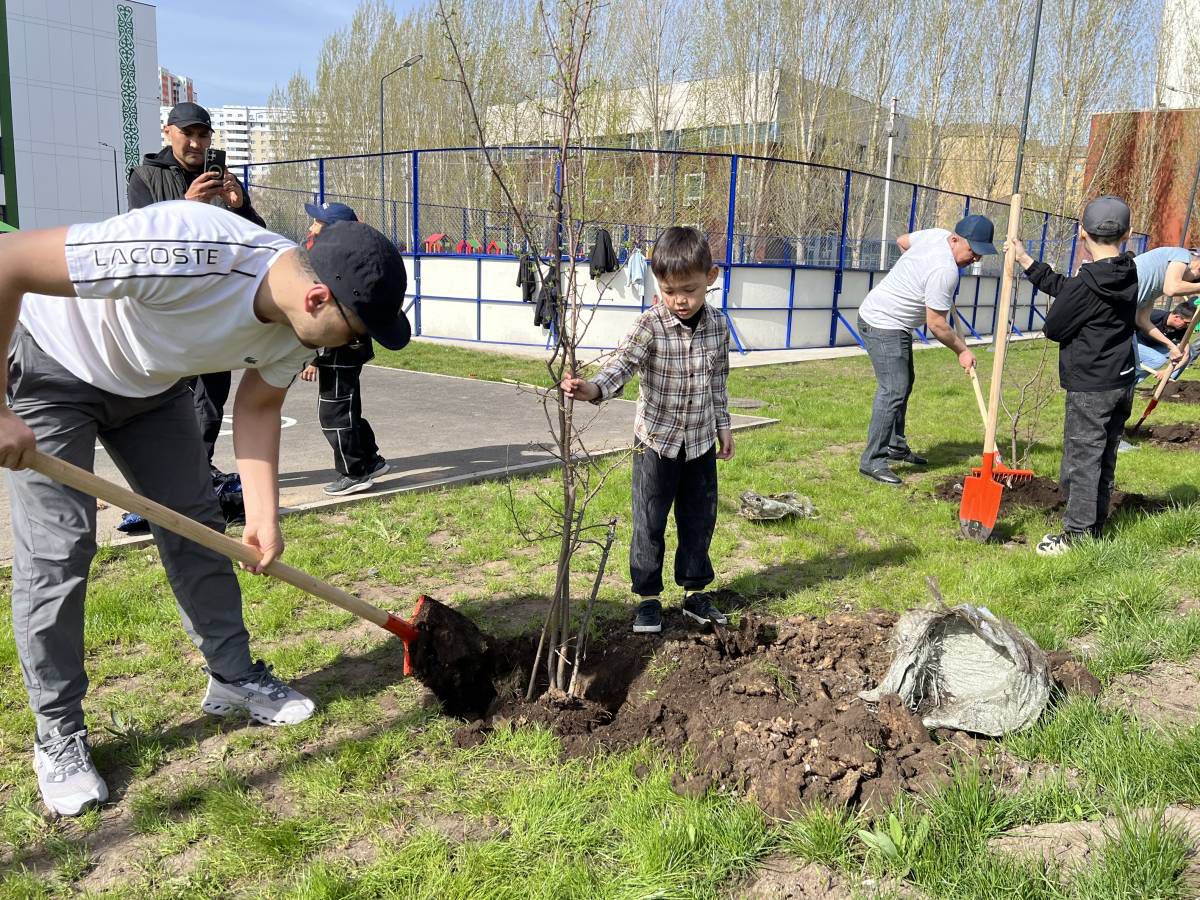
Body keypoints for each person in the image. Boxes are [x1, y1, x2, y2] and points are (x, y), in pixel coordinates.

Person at [0, 200, 410, 816]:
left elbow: (258, 406)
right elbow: (8, 261)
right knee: (60, 550)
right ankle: (57, 733)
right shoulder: (187, 251)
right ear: (318, 298)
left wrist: (264, 518)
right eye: (356, 333)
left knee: (198, 527)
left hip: (152, 387)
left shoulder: (296, 327)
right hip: (53, 366)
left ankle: (232, 677)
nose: (354, 347)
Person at [560, 226, 733, 634]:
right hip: (655, 443)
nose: (680, 300)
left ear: (710, 278)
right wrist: (593, 388)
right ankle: (648, 598)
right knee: (649, 521)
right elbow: (623, 364)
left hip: (699, 443)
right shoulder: (649, 326)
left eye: (689, 290)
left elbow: (719, 380)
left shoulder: (718, 326)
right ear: (658, 284)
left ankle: (695, 593)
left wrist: (723, 425)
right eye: (669, 291)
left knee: (699, 519)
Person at [123, 102, 268, 532]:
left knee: (212, 395)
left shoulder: (221, 178)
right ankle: (170, 481)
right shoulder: (146, 177)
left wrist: (240, 206)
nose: (196, 142)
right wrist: (187, 205)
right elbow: (140, 238)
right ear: (168, 132)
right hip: (168, 310)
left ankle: (196, 472)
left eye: (203, 135)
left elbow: (257, 239)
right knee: (171, 398)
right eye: (187, 133)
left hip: (214, 307)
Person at [1009, 196, 1138, 557]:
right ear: (1127, 234)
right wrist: (1027, 261)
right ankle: (1095, 525)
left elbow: (1054, 326)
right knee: (1105, 455)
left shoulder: (1088, 282)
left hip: (1091, 386)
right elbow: (1074, 292)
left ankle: (1077, 535)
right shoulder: (1128, 269)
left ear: (1082, 233)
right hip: (1122, 379)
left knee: (1082, 460)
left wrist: (1078, 280)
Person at [856, 215, 997, 485]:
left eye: (980, 253)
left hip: (895, 323)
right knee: (893, 389)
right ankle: (872, 461)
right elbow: (937, 325)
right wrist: (962, 351)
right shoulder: (945, 271)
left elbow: (902, 242)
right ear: (955, 240)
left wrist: (915, 274)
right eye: (972, 251)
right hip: (881, 322)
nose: (976, 259)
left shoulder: (936, 235)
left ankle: (896, 446)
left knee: (904, 383)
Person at [297, 202, 390, 496]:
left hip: (338, 347)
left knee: (334, 413)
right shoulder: (345, 257)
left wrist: (315, 358)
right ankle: (370, 459)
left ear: (333, 231)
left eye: (318, 222)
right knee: (348, 406)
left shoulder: (333, 263)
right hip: (350, 346)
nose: (311, 226)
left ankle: (354, 473)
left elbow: (329, 314)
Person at [1132, 246, 1200, 366]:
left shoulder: (1155, 288)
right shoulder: (1181, 255)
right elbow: (1172, 289)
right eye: (1192, 281)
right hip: (1110, 310)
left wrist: (1171, 346)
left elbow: (1142, 320)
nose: (1188, 285)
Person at [1135, 300, 1200, 383]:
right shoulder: (1154, 315)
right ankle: (1128, 382)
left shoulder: (1182, 329)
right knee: (1158, 359)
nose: (1187, 326)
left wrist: (1166, 371)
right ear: (1176, 317)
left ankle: (1167, 385)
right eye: (1187, 323)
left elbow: (1186, 355)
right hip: (1135, 342)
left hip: (1154, 345)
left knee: (1187, 353)